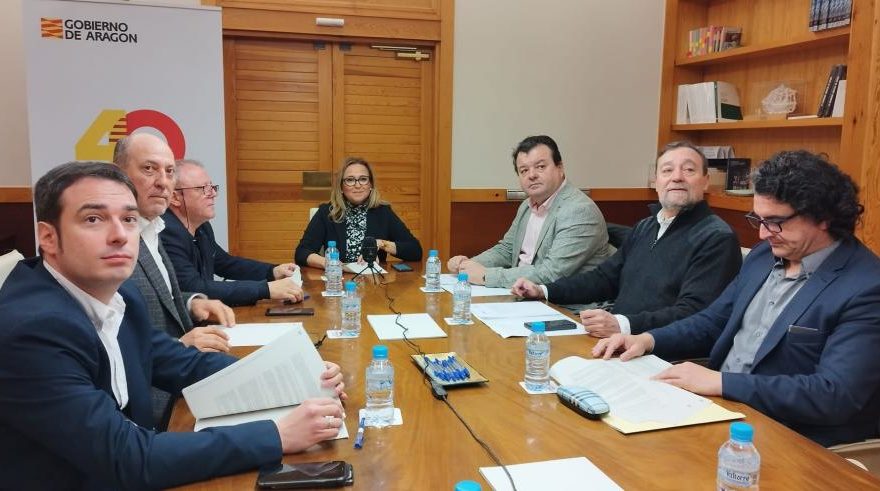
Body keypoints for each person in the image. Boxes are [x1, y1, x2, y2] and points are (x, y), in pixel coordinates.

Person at [0, 162, 346, 489]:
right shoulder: (31, 331)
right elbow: (127, 457)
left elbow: (183, 363)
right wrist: (277, 435)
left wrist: (294, 377)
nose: (119, 235)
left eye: (129, 219)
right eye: (94, 219)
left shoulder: (121, 295)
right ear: (48, 237)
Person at [593, 150, 880, 447]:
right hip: (719, 412)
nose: (763, 234)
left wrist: (721, 382)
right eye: (759, 220)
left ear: (823, 217)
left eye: (776, 222)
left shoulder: (867, 287)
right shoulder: (764, 256)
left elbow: (834, 394)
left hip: (792, 436)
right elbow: (712, 321)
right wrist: (647, 339)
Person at [511, 142, 742, 337]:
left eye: (689, 170)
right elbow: (604, 279)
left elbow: (694, 314)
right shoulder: (646, 226)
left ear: (705, 181)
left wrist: (623, 325)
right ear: (656, 181)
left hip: (665, 355)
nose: (677, 177)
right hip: (617, 342)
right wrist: (543, 290)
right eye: (667, 170)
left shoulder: (716, 238)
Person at [447, 135, 615, 288]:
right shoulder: (527, 205)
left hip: (568, 305)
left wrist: (486, 276)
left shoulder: (579, 210)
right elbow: (507, 250)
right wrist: (467, 265)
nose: (531, 175)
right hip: (525, 295)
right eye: (524, 170)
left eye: (540, 167)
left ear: (560, 168)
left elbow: (551, 273)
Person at [161, 159, 303, 307]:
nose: (213, 193)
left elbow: (225, 263)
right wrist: (264, 289)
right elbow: (194, 288)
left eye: (211, 187)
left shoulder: (202, 227)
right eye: (203, 188)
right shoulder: (166, 233)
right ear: (175, 197)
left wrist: (272, 271)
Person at [294, 157, 423, 268]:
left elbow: (415, 250)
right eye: (350, 180)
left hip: (372, 282)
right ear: (341, 187)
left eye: (363, 179)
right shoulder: (327, 212)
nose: (357, 185)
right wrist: (330, 263)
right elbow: (302, 253)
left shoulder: (383, 212)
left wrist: (381, 243)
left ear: (370, 184)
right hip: (338, 280)